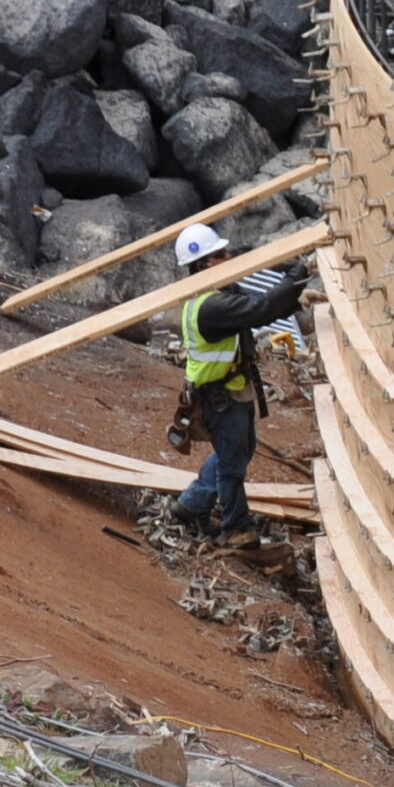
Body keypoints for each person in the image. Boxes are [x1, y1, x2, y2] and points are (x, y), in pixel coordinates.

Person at [163, 223, 308, 547]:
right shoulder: (212, 306)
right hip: (220, 397)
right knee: (232, 463)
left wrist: (294, 293)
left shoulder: (215, 298)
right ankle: (236, 528)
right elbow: (260, 309)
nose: (230, 258)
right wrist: (295, 276)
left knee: (238, 451)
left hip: (226, 391)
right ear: (204, 265)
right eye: (222, 255)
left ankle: (193, 503)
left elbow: (260, 307)